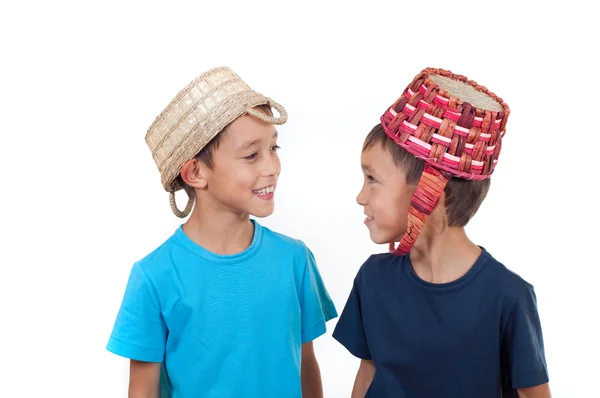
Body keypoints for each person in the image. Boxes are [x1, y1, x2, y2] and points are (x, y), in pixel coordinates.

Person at [106, 66, 337, 398]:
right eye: (251, 155)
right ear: (196, 172)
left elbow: (306, 367)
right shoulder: (153, 277)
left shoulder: (295, 260)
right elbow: (143, 392)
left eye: (274, 148)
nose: (272, 167)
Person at [332, 68, 550, 397]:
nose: (360, 197)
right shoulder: (372, 279)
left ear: (431, 191)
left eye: (372, 179)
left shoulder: (507, 297)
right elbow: (368, 372)